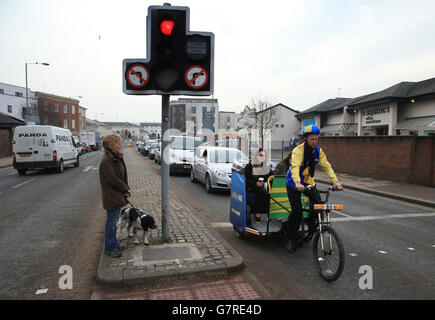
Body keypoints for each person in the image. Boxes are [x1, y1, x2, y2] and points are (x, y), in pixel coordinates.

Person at [285, 125, 343, 253]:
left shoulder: (318, 151)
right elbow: (294, 167)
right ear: (305, 138)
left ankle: (312, 226)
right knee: (297, 212)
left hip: (308, 182)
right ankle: (291, 236)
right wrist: (297, 183)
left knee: (319, 204)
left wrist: (335, 181)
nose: (314, 142)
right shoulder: (298, 151)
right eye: (312, 139)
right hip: (293, 183)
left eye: (316, 139)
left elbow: (326, 166)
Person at [99, 133, 131, 258]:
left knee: (113, 222)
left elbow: (121, 176)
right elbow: (113, 179)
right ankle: (110, 248)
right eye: (118, 143)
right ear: (112, 145)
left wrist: (125, 189)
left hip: (116, 194)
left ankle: (113, 244)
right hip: (111, 196)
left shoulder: (114, 157)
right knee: (111, 223)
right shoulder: (107, 161)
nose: (120, 145)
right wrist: (124, 188)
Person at [245, 148, 273, 222]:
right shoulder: (249, 166)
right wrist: (255, 183)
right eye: (260, 155)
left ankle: (273, 213)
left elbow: (270, 177)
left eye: (264, 156)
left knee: (270, 192)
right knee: (262, 191)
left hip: (263, 186)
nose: (262, 157)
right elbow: (247, 179)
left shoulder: (266, 167)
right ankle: (257, 213)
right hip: (251, 187)